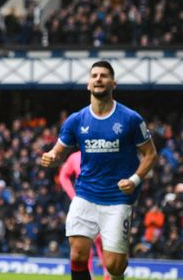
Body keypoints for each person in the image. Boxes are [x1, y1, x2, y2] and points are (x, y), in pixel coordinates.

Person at [41, 61, 157, 280]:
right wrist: (51, 157)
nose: (98, 79)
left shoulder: (131, 119)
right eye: (94, 75)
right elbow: (58, 153)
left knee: (114, 266)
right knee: (77, 253)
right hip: (85, 194)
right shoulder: (76, 120)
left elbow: (150, 154)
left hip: (118, 198)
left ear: (113, 83)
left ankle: (117, 270)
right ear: (88, 84)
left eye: (104, 76)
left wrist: (134, 179)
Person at [60, 151, 109, 280]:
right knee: (83, 245)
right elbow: (63, 176)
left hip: (105, 203)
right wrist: (74, 196)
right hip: (84, 205)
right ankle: (90, 275)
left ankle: (107, 276)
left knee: (102, 242)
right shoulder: (75, 157)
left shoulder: (104, 152)